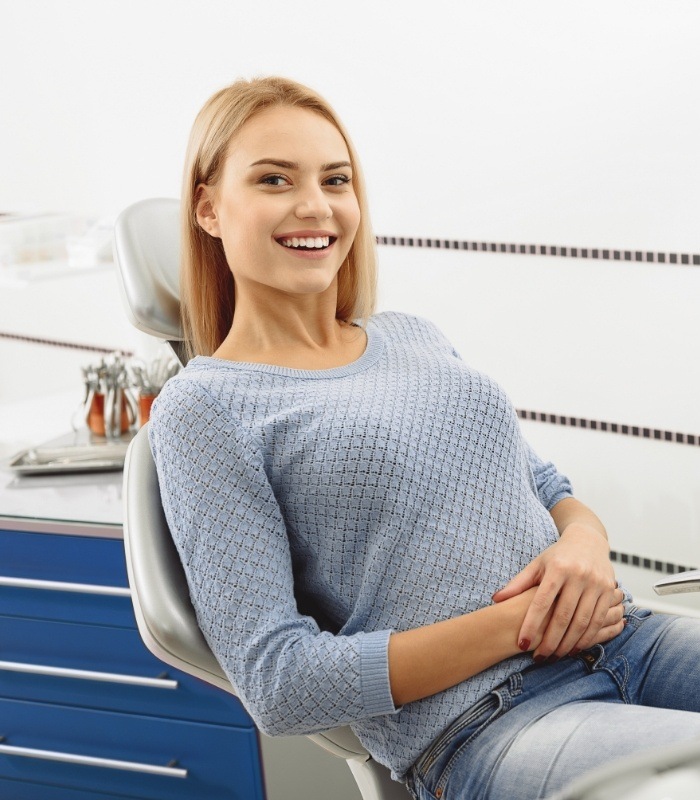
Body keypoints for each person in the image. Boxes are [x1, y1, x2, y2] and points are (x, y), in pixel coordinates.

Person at [148, 76, 700, 800]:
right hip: (490, 721)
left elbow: (548, 491)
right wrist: (521, 626)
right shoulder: (205, 408)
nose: (315, 205)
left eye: (335, 179)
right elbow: (279, 683)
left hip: (627, 638)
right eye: (274, 179)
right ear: (209, 207)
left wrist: (584, 550)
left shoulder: (410, 335)